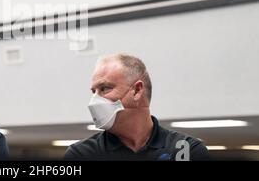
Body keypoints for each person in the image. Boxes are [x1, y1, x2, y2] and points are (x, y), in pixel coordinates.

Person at [64, 54, 209, 161]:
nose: (94, 101)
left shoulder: (187, 150)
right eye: (93, 91)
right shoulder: (82, 154)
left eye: (105, 88)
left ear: (137, 90)